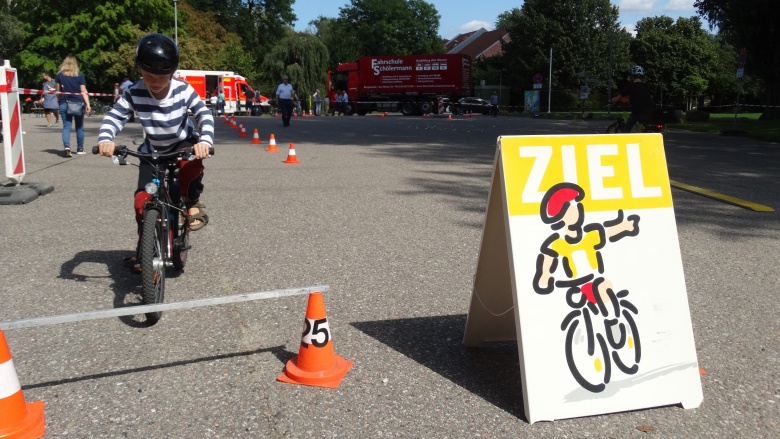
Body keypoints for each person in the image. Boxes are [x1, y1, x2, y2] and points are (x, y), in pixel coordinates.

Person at [97, 33, 214, 269]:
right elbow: (115, 117)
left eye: (162, 76)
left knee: (191, 168)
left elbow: (203, 113)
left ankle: (192, 201)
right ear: (139, 69)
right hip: (152, 151)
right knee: (142, 202)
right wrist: (105, 139)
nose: (155, 82)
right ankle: (144, 251)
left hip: (183, 145)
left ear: (172, 72)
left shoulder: (183, 90)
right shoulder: (133, 92)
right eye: (148, 76)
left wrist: (205, 140)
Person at [55, 56, 91, 157]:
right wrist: (88, 104)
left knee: (66, 126)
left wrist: (59, 100)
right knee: (79, 127)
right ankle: (80, 148)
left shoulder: (59, 76)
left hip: (64, 103)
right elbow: (83, 91)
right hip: (78, 104)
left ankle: (67, 147)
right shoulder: (80, 76)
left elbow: (58, 91)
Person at [611, 65, 653, 133]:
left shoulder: (630, 87)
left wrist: (612, 101)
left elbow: (619, 97)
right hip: (648, 111)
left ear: (632, 76)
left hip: (637, 112)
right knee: (644, 128)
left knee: (626, 130)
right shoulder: (646, 86)